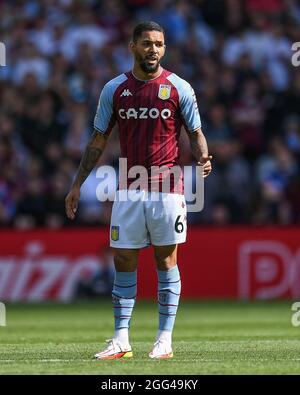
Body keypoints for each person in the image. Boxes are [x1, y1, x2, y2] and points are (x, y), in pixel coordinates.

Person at [65, 21, 212, 360]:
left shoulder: (179, 88)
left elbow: (196, 131)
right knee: (123, 259)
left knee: (166, 259)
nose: (153, 50)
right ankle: (121, 340)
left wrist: (204, 156)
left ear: (164, 48)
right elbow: (98, 140)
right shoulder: (114, 89)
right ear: (132, 46)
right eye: (146, 43)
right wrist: (77, 185)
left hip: (167, 190)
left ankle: (164, 340)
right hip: (128, 189)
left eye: (159, 44)